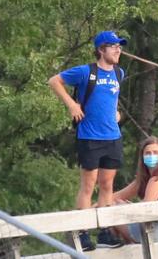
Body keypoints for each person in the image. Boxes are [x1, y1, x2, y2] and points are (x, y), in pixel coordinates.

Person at [48, 30, 128, 250]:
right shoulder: (86, 72)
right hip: (90, 136)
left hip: (112, 136)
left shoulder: (119, 73)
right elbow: (54, 81)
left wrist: (116, 113)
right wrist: (72, 105)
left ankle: (104, 232)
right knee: (88, 184)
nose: (118, 50)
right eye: (113, 46)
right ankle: (82, 233)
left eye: (119, 46)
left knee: (107, 184)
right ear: (101, 49)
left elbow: (112, 98)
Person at [112, 136, 158, 244]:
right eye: (148, 153)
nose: (152, 156)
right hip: (151, 225)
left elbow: (147, 205)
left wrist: (127, 207)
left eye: (155, 152)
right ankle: (122, 244)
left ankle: (115, 242)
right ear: (142, 156)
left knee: (113, 212)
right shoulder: (143, 178)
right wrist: (94, 206)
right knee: (112, 204)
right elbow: (115, 196)